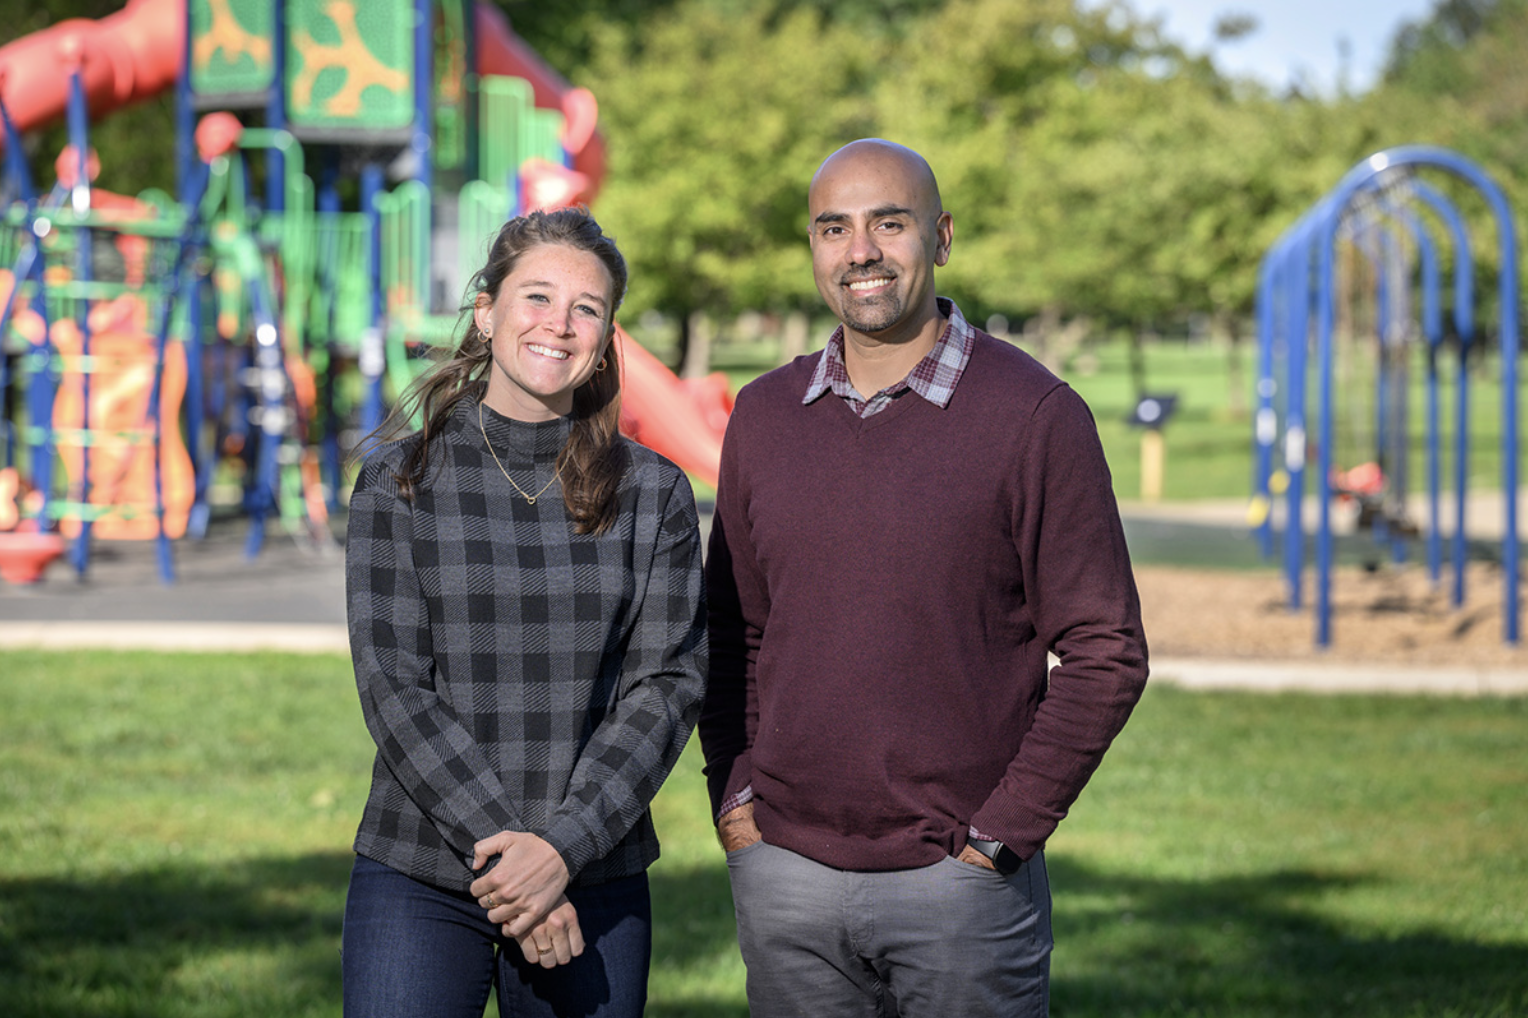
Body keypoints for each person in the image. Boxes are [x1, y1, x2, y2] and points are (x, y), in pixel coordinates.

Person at [699, 139, 1149, 1017]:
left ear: (939, 238)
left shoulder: (1034, 415)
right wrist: (735, 801)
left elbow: (1106, 651)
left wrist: (1002, 835)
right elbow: (732, 632)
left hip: (961, 888)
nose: (860, 250)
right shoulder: (762, 417)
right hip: (786, 875)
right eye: (834, 228)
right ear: (814, 248)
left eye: (888, 223)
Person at [342, 207, 706, 1018]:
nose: (560, 325)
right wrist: (517, 864)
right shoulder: (401, 481)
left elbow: (668, 686)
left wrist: (562, 850)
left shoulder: (653, 494)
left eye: (587, 308)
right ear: (486, 311)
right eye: (537, 297)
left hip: (595, 871)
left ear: (607, 334)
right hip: (422, 867)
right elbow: (395, 687)